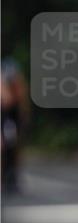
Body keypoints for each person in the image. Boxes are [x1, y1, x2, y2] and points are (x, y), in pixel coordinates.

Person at [1, 57, 29, 193]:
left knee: (14, 148)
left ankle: (12, 177)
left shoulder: (13, 71)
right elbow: (6, 101)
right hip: (5, 116)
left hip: (12, 117)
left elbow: (21, 104)